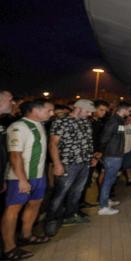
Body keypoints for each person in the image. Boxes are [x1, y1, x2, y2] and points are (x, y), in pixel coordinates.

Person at [1, 99, 54, 260]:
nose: (52, 114)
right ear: (35, 110)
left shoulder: (40, 125)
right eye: (49, 110)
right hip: (20, 177)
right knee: (13, 210)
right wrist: (23, 180)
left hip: (38, 176)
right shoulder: (19, 127)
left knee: (35, 204)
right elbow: (15, 156)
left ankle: (26, 235)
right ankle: (9, 248)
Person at [44, 100, 98, 236]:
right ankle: (51, 220)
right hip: (67, 164)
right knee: (60, 193)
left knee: (77, 192)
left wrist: (91, 157)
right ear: (78, 108)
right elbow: (53, 144)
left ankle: (70, 215)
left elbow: (88, 141)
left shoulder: (86, 122)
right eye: (88, 111)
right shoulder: (60, 122)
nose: (90, 114)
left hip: (84, 163)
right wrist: (57, 164)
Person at [96, 102, 131, 215]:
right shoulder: (114, 121)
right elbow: (105, 137)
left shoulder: (119, 121)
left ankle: (106, 200)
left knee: (111, 179)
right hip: (112, 155)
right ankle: (103, 207)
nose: (130, 112)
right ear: (123, 110)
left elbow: (120, 136)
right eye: (128, 110)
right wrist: (101, 151)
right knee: (108, 180)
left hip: (116, 154)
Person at [80, 99, 109, 207]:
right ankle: (77, 205)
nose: (103, 113)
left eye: (105, 111)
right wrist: (94, 156)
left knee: (87, 180)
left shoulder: (98, 122)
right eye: (101, 110)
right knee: (83, 181)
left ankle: (81, 202)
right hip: (89, 156)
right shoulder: (89, 122)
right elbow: (89, 141)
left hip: (96, 155)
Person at [121, 115, 131, 186]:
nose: (130, 121)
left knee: (129, 166)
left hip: (129, 149)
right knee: (119, 168)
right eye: (129, 120)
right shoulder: (120, 126)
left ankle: (130, 180)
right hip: (121, 151)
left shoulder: (129, 125)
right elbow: (119, 138)